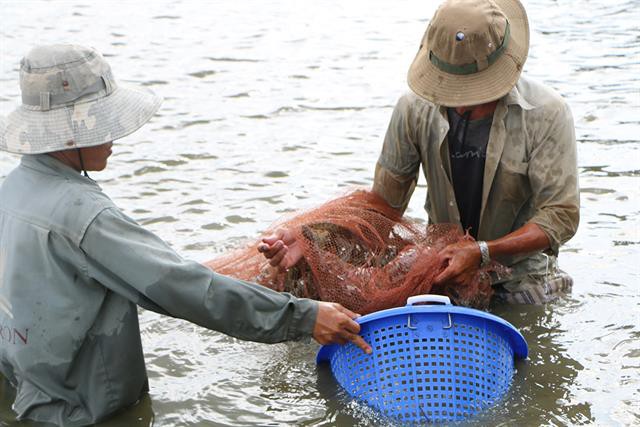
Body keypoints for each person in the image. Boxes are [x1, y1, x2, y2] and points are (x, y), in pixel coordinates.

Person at [0, 44, 370, 426]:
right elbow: (182, 287)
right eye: (102, 122)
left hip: (28, 400)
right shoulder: (84, 216)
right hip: (83, 414)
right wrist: (304, 317)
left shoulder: (11, 192)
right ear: (72, 132)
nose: (114, 136)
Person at [261, 0, 579, 305]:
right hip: (440, 263)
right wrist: (315, 240)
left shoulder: (546, 113)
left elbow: (560, 217)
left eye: (474, 88)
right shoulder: (414, 108)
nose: (462, 99)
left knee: (530, 332)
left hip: (518, 270)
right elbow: (384, 207)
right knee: (315, 290)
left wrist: (482, 252)